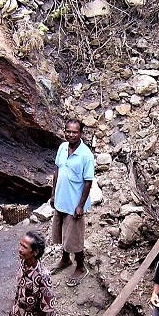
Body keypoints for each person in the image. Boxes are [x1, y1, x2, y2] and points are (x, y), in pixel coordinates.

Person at [49, 119, 95, 287]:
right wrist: (53, 194)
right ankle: (65, 259)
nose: (71, 134)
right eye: (68, 131)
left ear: (80, 133)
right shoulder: (62, 148)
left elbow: (88, 181)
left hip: (74, 204)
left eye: (74, 132)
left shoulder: (86, 155)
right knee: (62, 232)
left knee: (74, 237)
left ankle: (81, 267)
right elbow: (57, 171)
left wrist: (81, 205)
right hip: (61, 199)